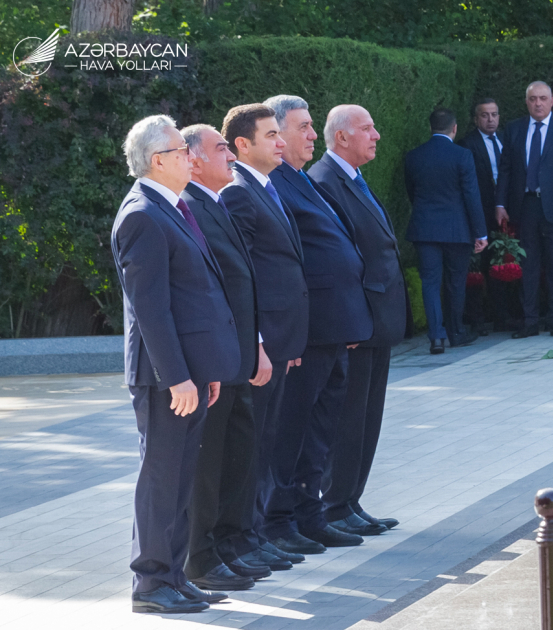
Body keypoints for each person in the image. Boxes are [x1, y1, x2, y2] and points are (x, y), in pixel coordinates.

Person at [112, 115, 240, 613]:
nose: (192, 156)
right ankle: (150, 583)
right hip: (165, 376)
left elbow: (194, 296)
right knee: (161, 477)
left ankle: (174, 575)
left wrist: (201, 371)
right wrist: (178, 377)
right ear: (159, 160)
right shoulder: (142, 213)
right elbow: (151, 309)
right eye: (182, 150)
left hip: (187, 373)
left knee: (182, 478)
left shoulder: (173, 206)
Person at [264, 95, 377, 549]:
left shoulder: (297, 180)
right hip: (309, 332)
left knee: (319, 432)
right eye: (303, 127)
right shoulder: (276, 182)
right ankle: (280, 520)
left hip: (334, 327)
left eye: (313, 126)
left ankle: (311, 514)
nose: (313, 135)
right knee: (293, 431)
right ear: (275, 135)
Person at [180, 124, 272, 592]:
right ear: (193, 159)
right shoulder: (191, 207)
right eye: (221, 149)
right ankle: (200, 556)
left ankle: (231, 542)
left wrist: (255, 343)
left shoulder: (218, 202)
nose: (230, 157)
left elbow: (242, 282)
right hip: (216, 357)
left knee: (238, 453)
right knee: (209, 461)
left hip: (237, 353)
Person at [220, 103, 311, 571]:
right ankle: (245, 537)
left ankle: (255, 533)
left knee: (269, 440)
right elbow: (245, 277)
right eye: (271, 135)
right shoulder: (238, 194)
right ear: (242, 145)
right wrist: (259, 342)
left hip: (282, 338)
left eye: (281, 133)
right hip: (263, 341)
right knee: (253, 444)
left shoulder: (267, 187)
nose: (281, 142)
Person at [309, 104, 406, 536]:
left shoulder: (353, 178)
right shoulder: (325, 182)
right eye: (367, 128)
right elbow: (335, 261)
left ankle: (350, 500)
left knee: (368, 417)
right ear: (342, 137)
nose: (377, 135)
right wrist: (347, 321)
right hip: (357, 322)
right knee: (348, 419)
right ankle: (334, 504)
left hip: (376, 320)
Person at [495, 81, 553, 339]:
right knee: (528, 265)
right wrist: (500, 204)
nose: (538, 103)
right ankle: (530, 320)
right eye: (533, 99)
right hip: (525, 206)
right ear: (527, 101)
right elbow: (506, 171)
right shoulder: (514, 129)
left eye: (543, 98)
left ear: (552, 102)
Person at [405, 108, 488, 354]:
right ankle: (456, 332)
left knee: (430, 283)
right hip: (457, 229)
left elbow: (412, 192)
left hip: (425, 228)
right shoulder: (462, 155)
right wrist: (480, 232)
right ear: (454, 128)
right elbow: (471, 196)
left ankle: (436, 337)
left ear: (431, 128)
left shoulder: (413, 156)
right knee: (455, 282)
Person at [457, 98, 519, 334]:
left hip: (508, 213)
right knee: (480, 267)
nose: (491, 119)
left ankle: (506, 315)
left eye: (494, 114)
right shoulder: (467, 144)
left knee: (507, 263)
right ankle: (478, 318)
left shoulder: (507, 139)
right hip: (481, 211)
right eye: (485, 115)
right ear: (476, 119)